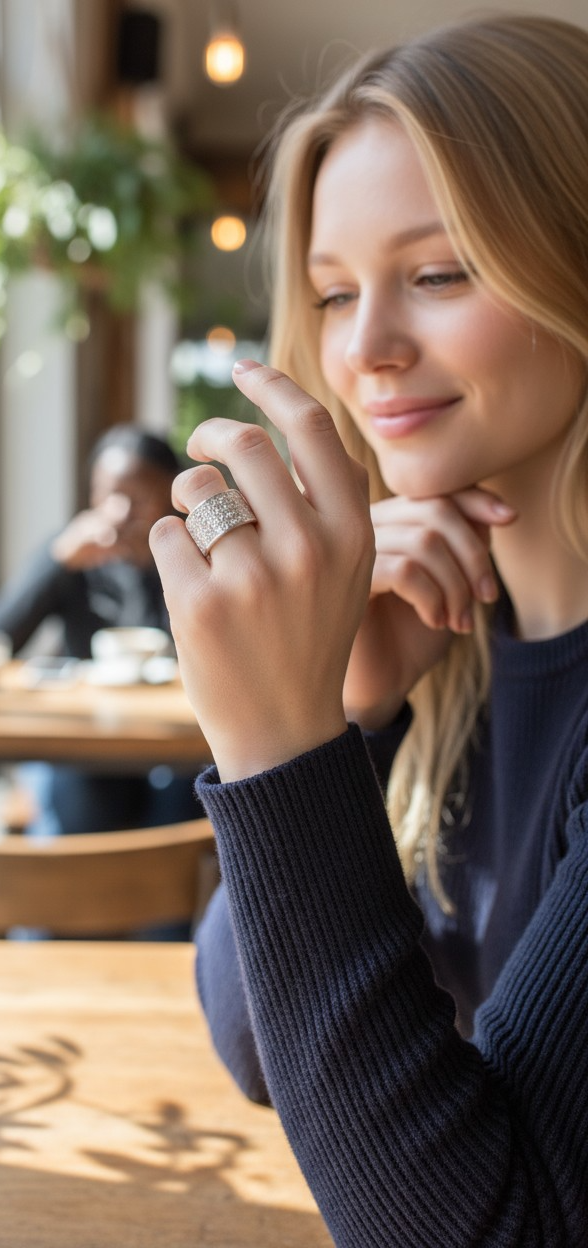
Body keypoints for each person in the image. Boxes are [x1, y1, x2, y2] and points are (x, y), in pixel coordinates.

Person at [148, 14, 588, 1246]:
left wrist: (275, 742)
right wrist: (346, 714)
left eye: (439, 273)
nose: (366, 351)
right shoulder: (455, 640)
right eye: (335, 295)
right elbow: (255, 1044)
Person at [0, 424, 201, 835]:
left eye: (135, 498)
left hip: (172, 746)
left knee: (183, 800)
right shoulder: (75, 557)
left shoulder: (192, 563)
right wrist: (56, 561)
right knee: (81, 801)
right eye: (106, 495)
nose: (116, 512)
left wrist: (160, 563)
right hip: (88, 742)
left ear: (170, 500)